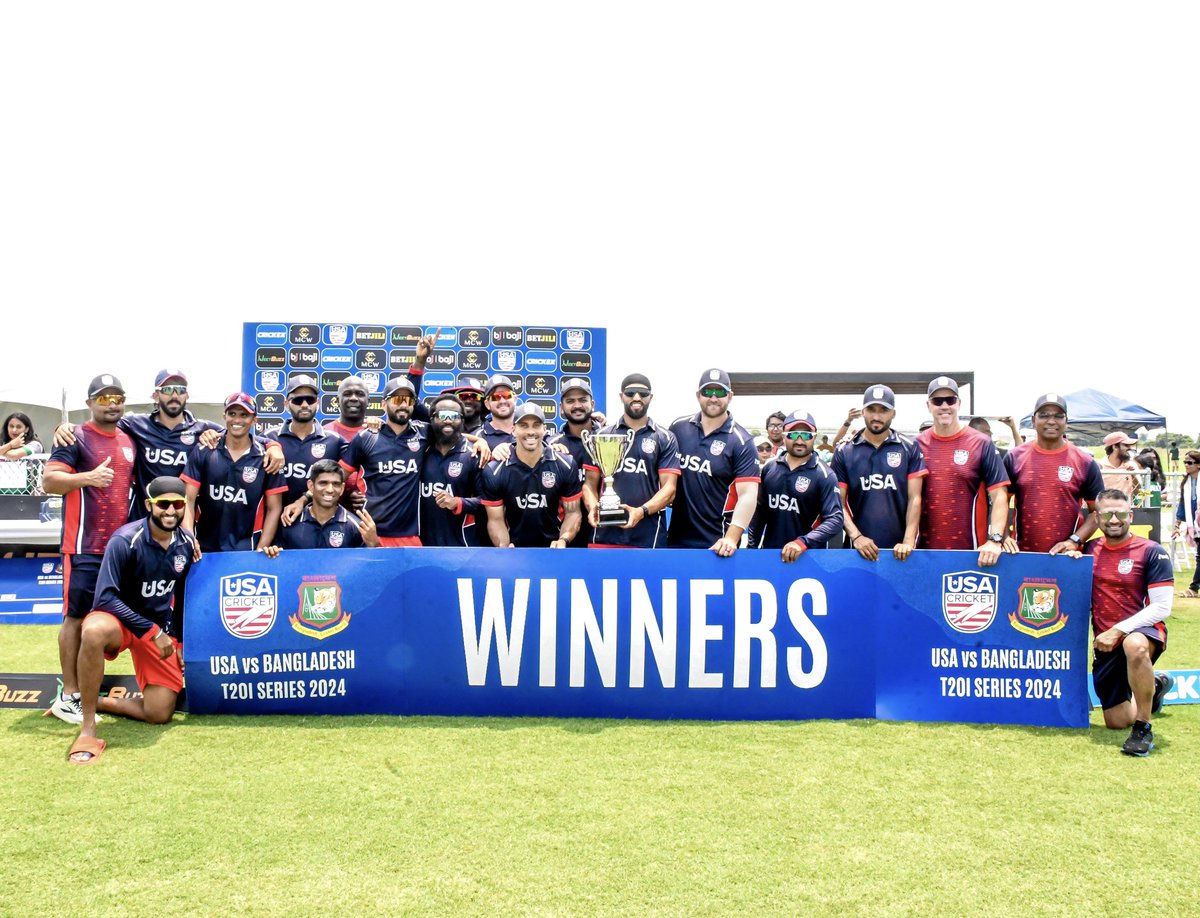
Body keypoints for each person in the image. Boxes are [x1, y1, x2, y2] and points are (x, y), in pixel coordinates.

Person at [66, 477, 198, 764]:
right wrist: (151, 631)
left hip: (157, 628)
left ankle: (92, 700)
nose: (171, 511)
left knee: (159, 713)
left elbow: (183, 596)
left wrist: (181, 642)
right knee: (93, 630)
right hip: (120, 621)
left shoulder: (186, 542)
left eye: (177, 504)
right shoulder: (125, 539)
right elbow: (104, 598)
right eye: (163, 504)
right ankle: (88, 727)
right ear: (149, 505)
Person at [42, 374, 136, 724]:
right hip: (83, 546)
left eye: (117, 397)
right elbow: (49, 481)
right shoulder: (76, 436)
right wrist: (87, 478)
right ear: (89, 402)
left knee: (105, 622)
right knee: (76, 617)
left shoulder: (129, 438)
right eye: (103, 397)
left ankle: (88, 689)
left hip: (118, 549)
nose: (111, 403)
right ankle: (70, 695)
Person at [1065, 489, 1175, 756]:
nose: (1114, 520)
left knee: (1134, 645)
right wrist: (1072, 561)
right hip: (1105, 642)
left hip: (1142, 631)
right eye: (1107, 514)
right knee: (1116, 721)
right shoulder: (1089, 550)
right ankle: (1156, 685)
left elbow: (1162, 607)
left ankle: (1143, 729)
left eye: (1121, 513)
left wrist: (1118, 630)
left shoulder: (1152, 552)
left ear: (1131, 515)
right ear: (1097, 517)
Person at [52, 370, 226, 519]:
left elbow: (238, 435)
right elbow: (98, 426)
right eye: (167, 390)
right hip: (142, 523)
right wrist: (66, 427)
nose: (174, 395)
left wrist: (214, 435)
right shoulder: (135, 424)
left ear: (187, 395)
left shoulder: (203, 428)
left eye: (180, 390)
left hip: (182, 520)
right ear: (156, 396)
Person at [916, 376, 1015, 566]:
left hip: (972, 554)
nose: (944, 406)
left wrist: (994, 540)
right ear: (929, 405)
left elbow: (999, 495)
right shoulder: (916, 445)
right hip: (923, 554)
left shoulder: (981, 443)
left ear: (958, 404)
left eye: (950, 400)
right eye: (937, 401)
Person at [667, 368, 760, 557]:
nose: (714, 398)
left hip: (717, 546)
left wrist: (731, 538)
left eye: (721, 392)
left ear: (730, 396)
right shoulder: (678, 428)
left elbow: (748, 495)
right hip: (675, 541)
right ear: (698, 395)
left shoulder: (742, 441)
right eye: (708, 392)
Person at [583, 374, 680, 549]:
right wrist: (593, 508)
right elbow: (589, 485)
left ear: (650, 397)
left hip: (649, 538)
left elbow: (669, 489)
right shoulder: (601, 436)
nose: (636, 398)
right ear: (621, 396)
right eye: (630, 393)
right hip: (604, 536)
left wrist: (641, 512)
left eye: (643, 393)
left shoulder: (665, 438)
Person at [181, 393, 287, 553]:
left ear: (254, 420)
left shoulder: (266, 457)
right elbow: (187, 499)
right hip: (204, 549)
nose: (237, 420)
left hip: (246, 549)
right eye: (232, 414)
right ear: (224, 416)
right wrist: (190, 539)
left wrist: (261, 547)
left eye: (244, 415)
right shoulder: (204, 450)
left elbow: (274, 508)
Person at [831, 384, 926, 561]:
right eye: (871, 409)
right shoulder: (845, 450)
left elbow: (915, 498)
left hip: (901, 551)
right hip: (857, 549)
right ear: (863, 412)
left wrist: (908, 540)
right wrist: (857, 536)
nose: (876, 416)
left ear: (893, 413)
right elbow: (838, 502)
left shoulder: (909, 447)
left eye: (883, 410)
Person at [1004, 393, 1104, 554]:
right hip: (1020, 555)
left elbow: (1098, 512)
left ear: (1066, 421)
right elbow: (999, 503)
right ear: (1033, 420)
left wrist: (1075, 540)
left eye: (1058, 416)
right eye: (1044, 415)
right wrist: (1004, 536)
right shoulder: (1014, 457)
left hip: (1066, 557)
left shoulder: (1085, 462)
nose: (1051, 421)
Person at [339, 376, 429, 546]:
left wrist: (479, 441)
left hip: (409, 536)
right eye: (397, 399)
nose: (403, 405)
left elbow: (453, 436)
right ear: (383, 404)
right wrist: (305, 499)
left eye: (408, 400)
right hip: (370, 533)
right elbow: (337, 478)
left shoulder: (424, 434)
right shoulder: (366, 437)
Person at [481, 404, 582, 547]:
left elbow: (573, 512)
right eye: (524, 426)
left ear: (544, 429)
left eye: (536, 425)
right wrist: (504, 546)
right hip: (515, 551)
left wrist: (563, 540)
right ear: (513, 430)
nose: (530, 432)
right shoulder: (495, 470)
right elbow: (495, 520)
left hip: (554, 551)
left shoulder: (565, 464)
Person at [748, 410, 843, 560]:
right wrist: (751, 549)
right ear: (784, 435)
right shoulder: (769, 468)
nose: (799, 440)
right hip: (771, 555)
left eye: (806, 435)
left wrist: (802, 542)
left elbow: (835, 519)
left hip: (808, 558)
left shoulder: (825, 475)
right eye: (793, 434)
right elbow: (760, 512)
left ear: (814, 437)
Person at [264, 375, 348, 514]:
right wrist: (272, 444)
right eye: (297, 400)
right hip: (275, 524)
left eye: (310, 399)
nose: (304, 405)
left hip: (318, 526)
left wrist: (377, 427)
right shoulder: (269, 437)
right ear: (286, 404)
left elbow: (364, 458)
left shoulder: (336, 441)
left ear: (318, 403)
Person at [264, 461, 378, 552]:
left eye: (336, 484)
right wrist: (273, 553)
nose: (330, 490)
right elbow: (279, 565)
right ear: (311, 486)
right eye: (323, 483)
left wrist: (373, 545)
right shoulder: (289, 523)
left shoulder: (356, 526)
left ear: (342, 488)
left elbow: (367, 570)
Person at [420, 394, 485, 546]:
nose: (448, 420)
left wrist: (457, 502)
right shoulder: (420, 451)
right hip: (421, 546)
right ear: (432, 419)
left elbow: (489, 502)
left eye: (454, 416)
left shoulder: (473, 454)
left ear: (462, 420)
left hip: (462, 547)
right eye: (442, 415)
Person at [549, 378, 603, 547]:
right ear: (561, 408)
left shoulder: (609, 439)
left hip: (602, 531)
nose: (577, 405)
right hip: (562, 535)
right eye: (570, 401)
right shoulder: (550, 445)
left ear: (592, 404)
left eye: (583, 400)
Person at [1172, 449, 1200, 598]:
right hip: (1195, 525)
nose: (1186, 465)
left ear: (1199, 465)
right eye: (1185, 462)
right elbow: (1183, 506)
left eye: (1190, 462)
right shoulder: (1187, 483)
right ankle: (1194, 588)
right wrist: (1177, 526)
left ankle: (1193, 589)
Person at [478, 375, 518, 451]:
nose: (502, 401)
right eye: (495, 397)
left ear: (515, 399)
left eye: (507, 395)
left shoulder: (527, 430)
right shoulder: (479, 436)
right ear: (487, 404)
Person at [1099, 431, 1140, 498]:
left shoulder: (1131, 465)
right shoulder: (1100, 466)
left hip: (1126, 507)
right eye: (1126, 445)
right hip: (1105, 507)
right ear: (1115, 447)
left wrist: (1133, 474)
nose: (1129, 448)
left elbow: (1138, 491)